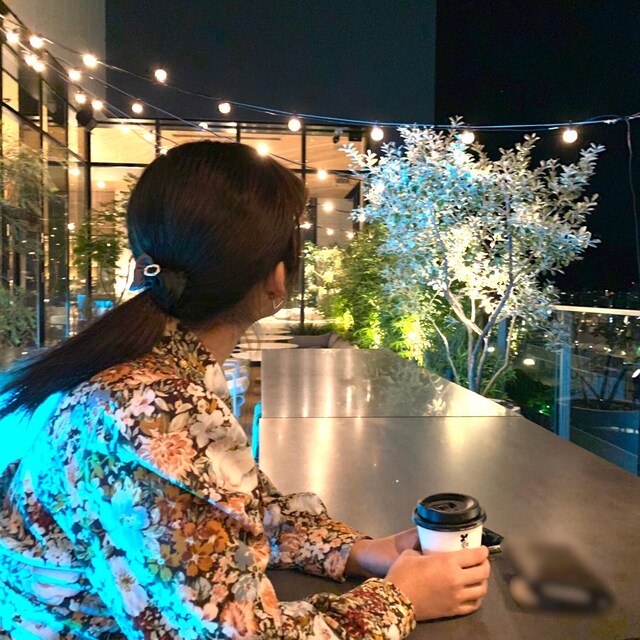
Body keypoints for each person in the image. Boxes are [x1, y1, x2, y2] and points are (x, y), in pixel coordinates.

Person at [0, 141, 490, 639]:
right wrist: (400, 599)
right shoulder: (159, 409)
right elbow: (236, 633)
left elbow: (230, 512)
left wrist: (359, 552)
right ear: (276, 280)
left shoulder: (146, 368)